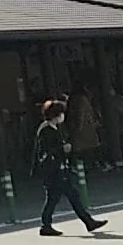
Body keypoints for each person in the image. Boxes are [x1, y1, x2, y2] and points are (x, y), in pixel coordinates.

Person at [30, 96, 106, 235]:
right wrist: (63, 149)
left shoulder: (50, 128)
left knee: (53, 198)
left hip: (54, 170)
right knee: (72, 195)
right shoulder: (47, 130)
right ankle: (88, 221)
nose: (62, 116)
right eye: (60, 113)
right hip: (54, 170)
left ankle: (46, 225)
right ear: (55, 115)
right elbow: (48, 150)